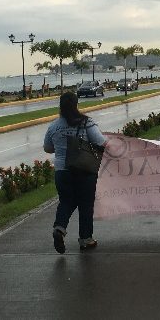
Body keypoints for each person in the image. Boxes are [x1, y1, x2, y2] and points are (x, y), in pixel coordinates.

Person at [43, 92, 107, 254]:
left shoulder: (54, 126)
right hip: (84, 170)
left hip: (62, 172)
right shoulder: (86, 123)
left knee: (66, 201)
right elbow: (100, 142)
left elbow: (48, 148)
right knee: (85, 204)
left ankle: (59, 228)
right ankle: (85, 239)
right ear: (76, 104)